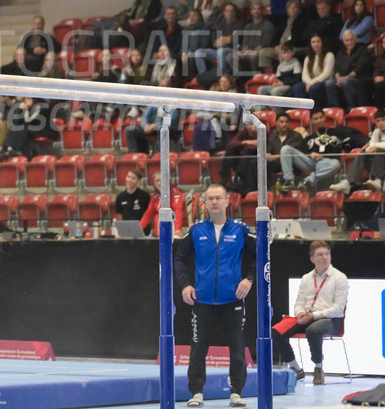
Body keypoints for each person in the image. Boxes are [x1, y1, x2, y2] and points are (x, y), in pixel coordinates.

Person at [175, 184, 257, 408]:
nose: (214, 202)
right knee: (198, 349)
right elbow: (179, 259)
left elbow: (262, 256)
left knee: (237, 348)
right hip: (202, 300)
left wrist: (248, 279)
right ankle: (197, 393)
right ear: (205, 202)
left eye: (218, 198)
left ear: (227, 201)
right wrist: (185, 285)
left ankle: (236, 392)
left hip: (232, 300)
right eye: (210, 198)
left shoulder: (240, 230)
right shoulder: (196, 230)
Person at [271, 240, 348, 385]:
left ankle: (318, 368)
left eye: (327, 254)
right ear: (312, 259)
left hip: (329, 320)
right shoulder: (307, 278)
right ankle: (295, 367)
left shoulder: (339, 278)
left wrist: (314, 315)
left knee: (313, 330)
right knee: (276, 331)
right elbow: (299, 302)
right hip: (307, 316)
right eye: (320, 255)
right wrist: (299, 313)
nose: (325, 257)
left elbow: (338, 309)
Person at [279, 109, 366, 191]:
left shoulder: (337, 131)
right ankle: (289, 180)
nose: (319, 120)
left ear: (325, 118)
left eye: (321, 117)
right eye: (316, 119)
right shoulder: (308, 138)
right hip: (310, 161)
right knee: (285, 149)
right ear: (312, 121)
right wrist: (310, 153)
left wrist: (367, 142)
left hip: (327, 163)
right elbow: (302, 150)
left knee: (336, 164)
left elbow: (354, 135)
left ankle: (308, 180)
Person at [332, 110, 385, 193]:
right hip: (378, 160)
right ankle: (348, 182)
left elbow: (375, 146)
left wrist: (375, 147)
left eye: (383, 120)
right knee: (363, 152)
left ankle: (376, 179)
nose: (381, 123)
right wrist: (369, 148)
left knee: (378, 150)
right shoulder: (376, 132)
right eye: (378, 121)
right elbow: (371, 144)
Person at [325, 30, 372, 110]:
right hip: (342, 78)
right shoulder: (341, 51)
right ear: (343, 41)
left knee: (345, 82)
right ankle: (334, 109)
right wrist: (338, 77)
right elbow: (337, 67)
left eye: (351, 40)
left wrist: (346, 77)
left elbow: (360, 67)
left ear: (355, 40)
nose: (349, 42)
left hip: (356, 78)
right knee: (329, 83)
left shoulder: (362, 49)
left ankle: (352, 107)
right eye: (347, 40)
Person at [293, 35, 334, 108]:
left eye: (318, 41)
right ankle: (304, 110)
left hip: (324, 81)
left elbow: (326, 74)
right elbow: (304, 74)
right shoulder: (308, 57)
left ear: (322, 43)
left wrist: (311, 83)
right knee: (297, 87)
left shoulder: (329, 55)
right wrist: (309, 82)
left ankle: (315, 109)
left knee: (315, 87)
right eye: (313, 42)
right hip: (310, 82)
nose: (316, 44)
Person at [138, 171, 184, 237]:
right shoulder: (155, 196)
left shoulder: (175, 193)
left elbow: (178, 212)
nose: (160, 183)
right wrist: (139, 228)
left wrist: (177, 230)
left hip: (171, 234)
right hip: (157, 234)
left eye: (162, 180)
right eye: (157, 181)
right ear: (153, 183)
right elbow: (148, 214)